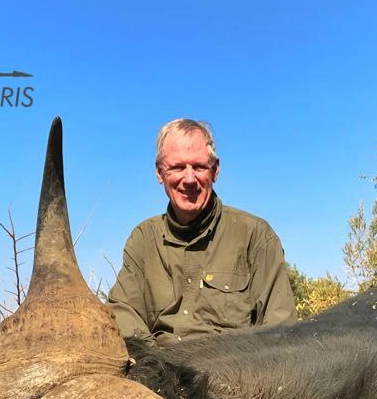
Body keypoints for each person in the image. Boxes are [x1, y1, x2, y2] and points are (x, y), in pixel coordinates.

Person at [107, 119, 296, 344]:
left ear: (215, 170)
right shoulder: (143, 239)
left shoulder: (256, 235)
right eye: (177, 167)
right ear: (159, 173)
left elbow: (280, 330)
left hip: (234, 363)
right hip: (159, 362)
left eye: (199, 167)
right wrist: (154, 360)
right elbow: (122, 313)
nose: (189, 179)